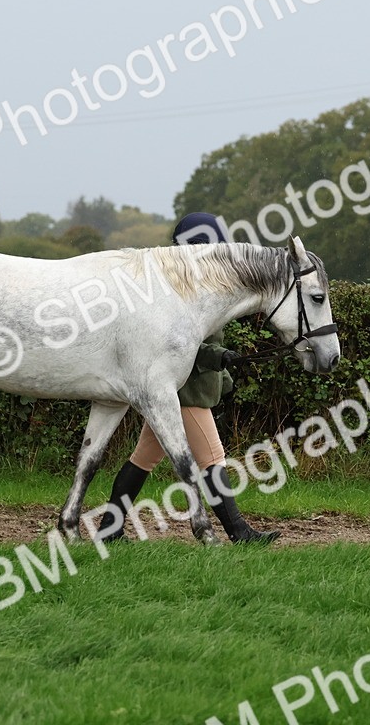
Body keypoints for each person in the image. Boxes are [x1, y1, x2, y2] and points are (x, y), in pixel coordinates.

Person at [98, 212, 279, 544]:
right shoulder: (184, 290)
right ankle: (239, 532)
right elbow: (183, 343)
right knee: (213, 459)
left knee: (143, 458)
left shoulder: (196, 285)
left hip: (183, 388)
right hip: (186, 391)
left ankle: (109, 529)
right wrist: (218, 357)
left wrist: (222, 375)